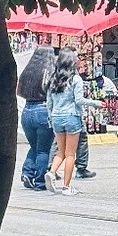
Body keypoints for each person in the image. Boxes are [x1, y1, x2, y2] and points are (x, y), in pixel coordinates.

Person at [45, 47, 84, 194]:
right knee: (70, 154)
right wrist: (96, 103)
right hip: (71, 117)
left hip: (56, 118)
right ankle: (67, 187)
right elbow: (79, 101)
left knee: (60, 152)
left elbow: (49, 103)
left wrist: (50, 119)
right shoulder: (76, 79)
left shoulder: (54, 79)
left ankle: (52, 172)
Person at [17, 47, 54, 191]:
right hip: (43, 110)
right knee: (43, 150)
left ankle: (27, 172)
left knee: (35, 146)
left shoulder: (28, 72)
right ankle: (39, 181)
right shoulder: (50, 72)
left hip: (27, 110)